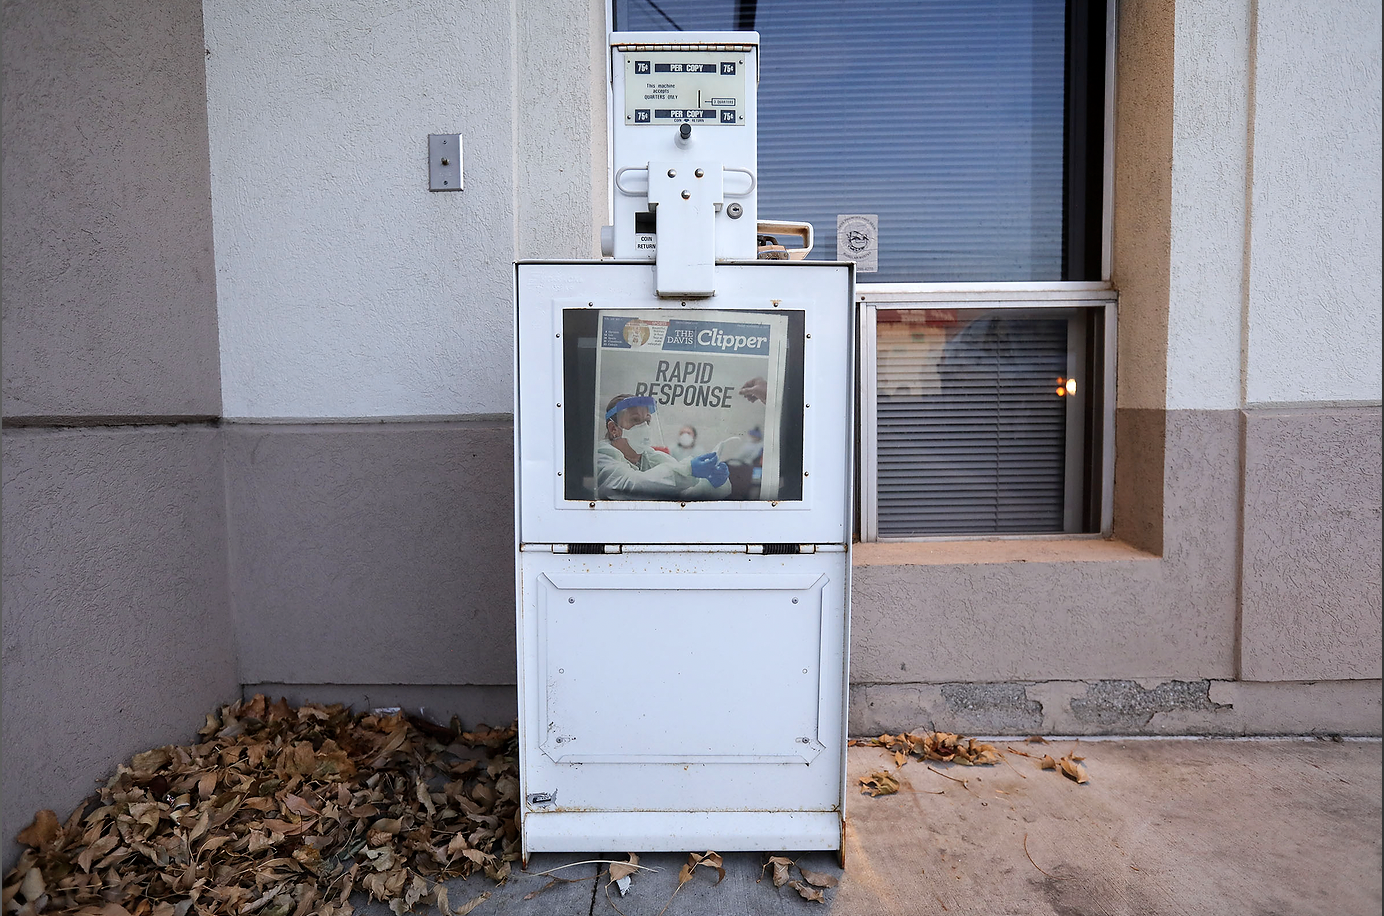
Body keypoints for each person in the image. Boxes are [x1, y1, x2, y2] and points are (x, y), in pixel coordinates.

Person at [596, 394, 730, 500]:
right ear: (614, 429)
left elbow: (682, 494)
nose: (644, 428)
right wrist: (688, 469)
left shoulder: (651, 457)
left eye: (647, 421)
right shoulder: (602, 457)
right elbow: (631, 486)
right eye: (635, 420)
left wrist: (711, 485)